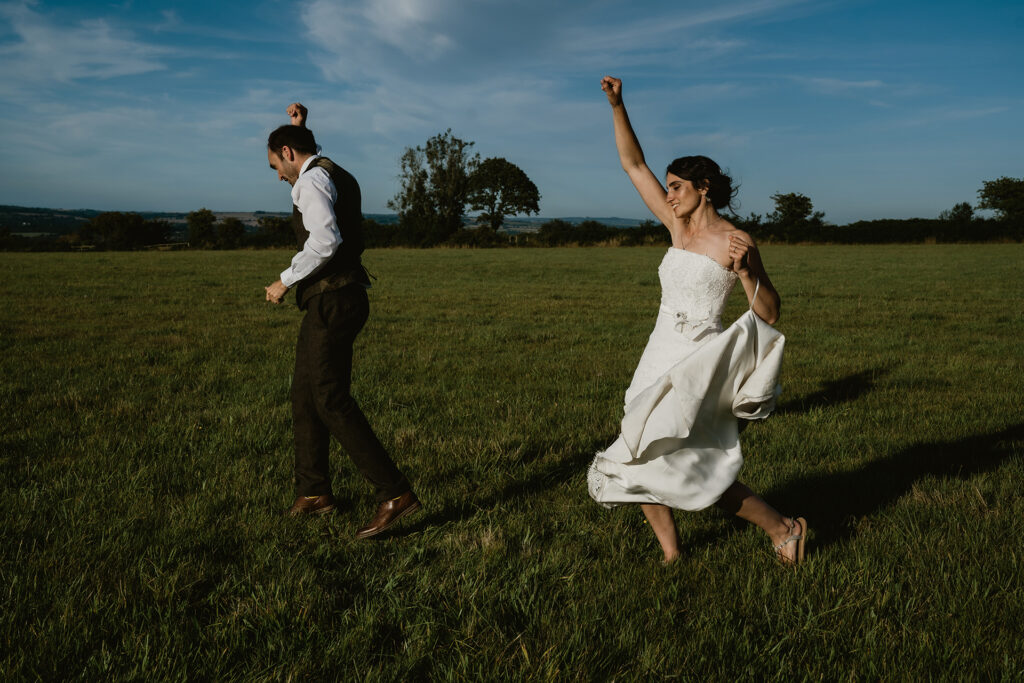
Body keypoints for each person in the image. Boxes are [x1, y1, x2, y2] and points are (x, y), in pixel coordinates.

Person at [587, 77, 807, 565]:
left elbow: (769, 312)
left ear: (703, 189)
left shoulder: (735, 240)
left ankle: (782, 526)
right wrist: (618, 106)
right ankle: (672, 555)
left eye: (677, 187)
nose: (669, 196)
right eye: (668, 188)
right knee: (638, 447)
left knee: (690, 464)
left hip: (697, 360)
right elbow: (632, 163)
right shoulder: (675, 227)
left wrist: (749, 272)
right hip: (656, 352)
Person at [264, 102, 420, 538]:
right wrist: (299, 129)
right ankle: (314, 491)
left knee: (330, 398)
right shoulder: (326, 170)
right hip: (336, 298)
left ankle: (395, 493)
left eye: (276, 164)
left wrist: (285, 280)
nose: (277, 175)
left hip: (333, 299)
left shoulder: (312, 179)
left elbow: (325, 238)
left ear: (288, 154)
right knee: (304, 394)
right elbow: (310, 163)